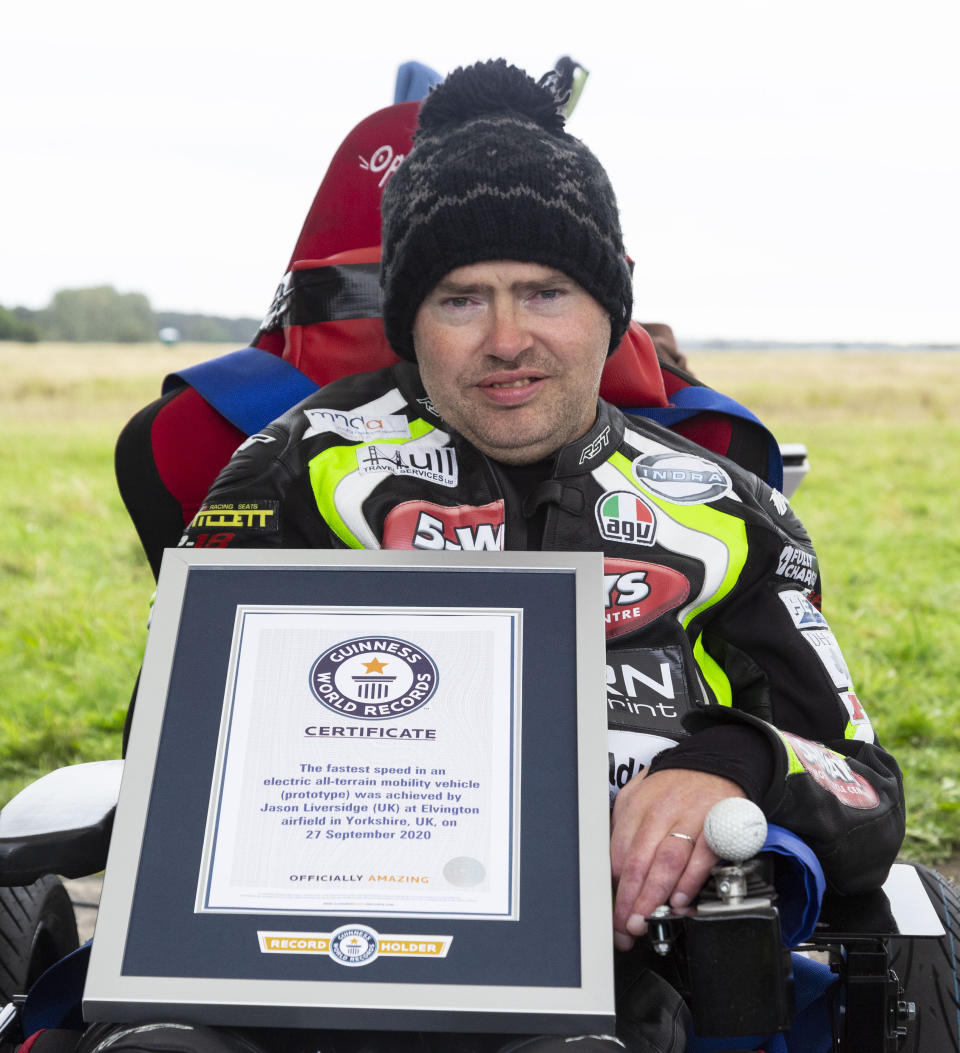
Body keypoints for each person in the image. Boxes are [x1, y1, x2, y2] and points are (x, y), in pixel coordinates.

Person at [169, 59, 904, 1052]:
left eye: (546, 291)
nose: (508, 339)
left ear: (612, 306)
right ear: (409, 319)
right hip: (295, 964)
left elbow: (863, 787)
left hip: (622, 978)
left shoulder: (731, 511)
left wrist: (732, 763)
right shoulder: (290, 472)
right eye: (462, 298)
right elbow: (175, 760)